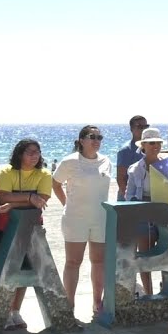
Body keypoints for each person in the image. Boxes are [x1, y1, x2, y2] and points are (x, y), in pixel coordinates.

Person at [52, 125, 112, 318]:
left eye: (99, 137)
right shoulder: (70, 162)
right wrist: (65, 203)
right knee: (73, 262)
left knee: (99, 261)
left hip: (100, 218)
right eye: (92, 136)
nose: (96, 140)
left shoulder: (106, 161)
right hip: (75, 219)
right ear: (81, 140)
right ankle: (69, 306)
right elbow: (55, 182)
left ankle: (97, 303)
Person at [0, 139, 52, 330]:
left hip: (32, 229)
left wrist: (13, 203)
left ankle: (15, 311)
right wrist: (28, 197)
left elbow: (41, 201)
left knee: (26, 271)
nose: (34, 156)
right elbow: (2, 196)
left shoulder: (44, 174)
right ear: (20, 154)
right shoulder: (6, 172)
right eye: (30, 152)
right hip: (6, 229)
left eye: (37, 152)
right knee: (7, 271)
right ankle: (2, 313)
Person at [124, 127, 168, 298]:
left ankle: (166, 291)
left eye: (158, 143)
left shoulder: (167, 164)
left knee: (167, 255)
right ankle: (149, 294)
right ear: (143, 145)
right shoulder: (135, 168)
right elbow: (129, 196)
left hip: (164, 214)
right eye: (151, 143)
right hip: (144, 214)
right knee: (144, 256)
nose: (155, 146)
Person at [116, 115, 148, 201]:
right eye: (140, 127)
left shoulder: (149, 148)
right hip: (129, 200)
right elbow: (121, 179)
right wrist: (129, 200)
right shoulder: (126, 150)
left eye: (146, 126)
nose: (143, 129)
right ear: (132, 129)